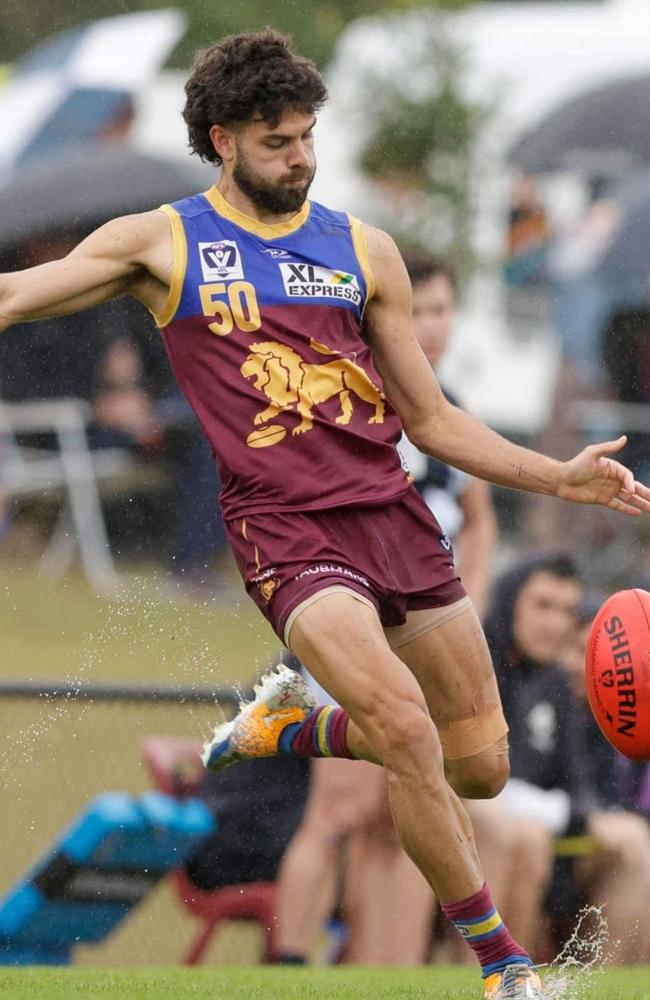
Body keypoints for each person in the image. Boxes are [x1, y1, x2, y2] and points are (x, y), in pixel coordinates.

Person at [1, 29, 649, 999]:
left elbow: (429, 419)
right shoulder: (163, 241)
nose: (300, 156)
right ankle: (504, 966)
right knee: (403, 725)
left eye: (307, 136)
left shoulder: (362, 250)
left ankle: (292, 729)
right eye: (277, 142)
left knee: (478, 762)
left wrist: (553, 477)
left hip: (389, 517)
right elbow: (15, 290)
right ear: (222, 141)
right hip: (283, 529)